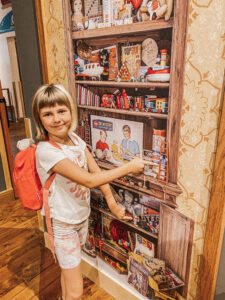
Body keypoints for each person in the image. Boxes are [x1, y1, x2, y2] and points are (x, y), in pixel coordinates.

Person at [32, 84, 154, 300]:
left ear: (71, 110)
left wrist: (113, 203)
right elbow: (89, 180)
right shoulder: (46, 151)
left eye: (62, 111)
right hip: (62, 224)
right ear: (39, 119)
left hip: (79, 218)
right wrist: (128, 167)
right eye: (48, 114)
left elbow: (95, 170)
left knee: (68, 275)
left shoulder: (76, 140)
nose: (57, 119)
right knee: (77, 292)